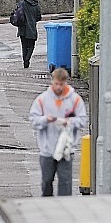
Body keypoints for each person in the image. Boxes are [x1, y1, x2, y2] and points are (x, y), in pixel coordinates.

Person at [29, 67, 87, 197]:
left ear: (66, 82)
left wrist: (70, 122)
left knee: (65, 182)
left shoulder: (75, 100)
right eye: (56, 84)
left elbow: (82, 120)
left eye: (61, 84)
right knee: (47, 180)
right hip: (47, 149)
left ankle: (64, 207)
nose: (59, 87)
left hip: (66, 149)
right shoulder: (42, 100)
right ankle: (47, 204)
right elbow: (33, 119)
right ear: (52, 82)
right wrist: (45, 119)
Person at [12, 0, 43, 69]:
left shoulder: (21, 4)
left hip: (22, 28)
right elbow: (39, 17)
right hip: (32, 28)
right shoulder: (36, 6)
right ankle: (27, 58)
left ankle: (25, 61)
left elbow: (17, 15)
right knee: (32, 45)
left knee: (24, 46)